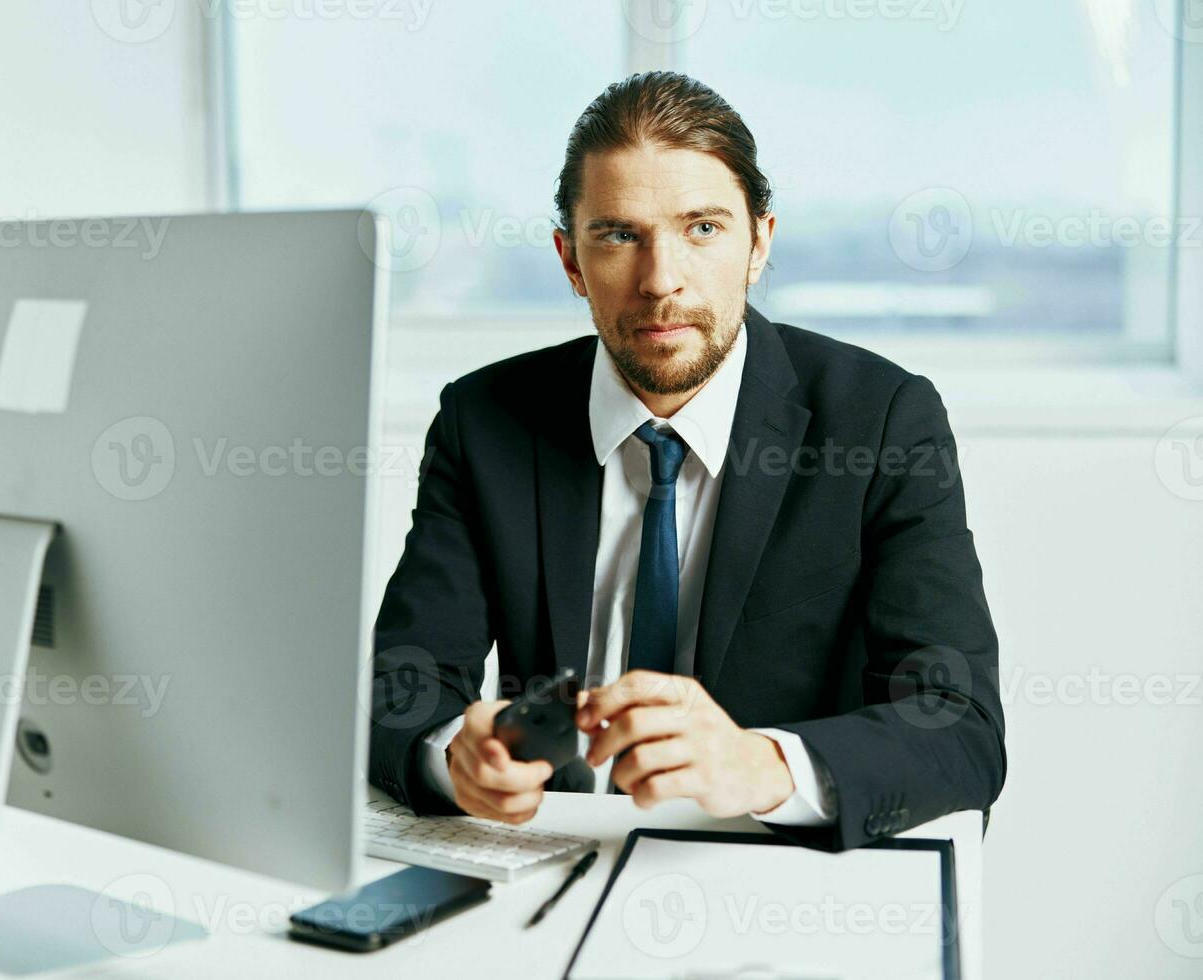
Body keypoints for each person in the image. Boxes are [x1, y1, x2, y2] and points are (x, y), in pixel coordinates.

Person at [368, 71, 1005, 851]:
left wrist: (763, 763)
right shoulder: (485, 420)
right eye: (618, 234)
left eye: (702, 228)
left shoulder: (881, 422)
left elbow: (961, 726)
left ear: (759, 243)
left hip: (777, 872)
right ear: (571, 261)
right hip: (546, 858)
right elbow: (397, 688)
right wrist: (450, 759)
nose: (661, 280)